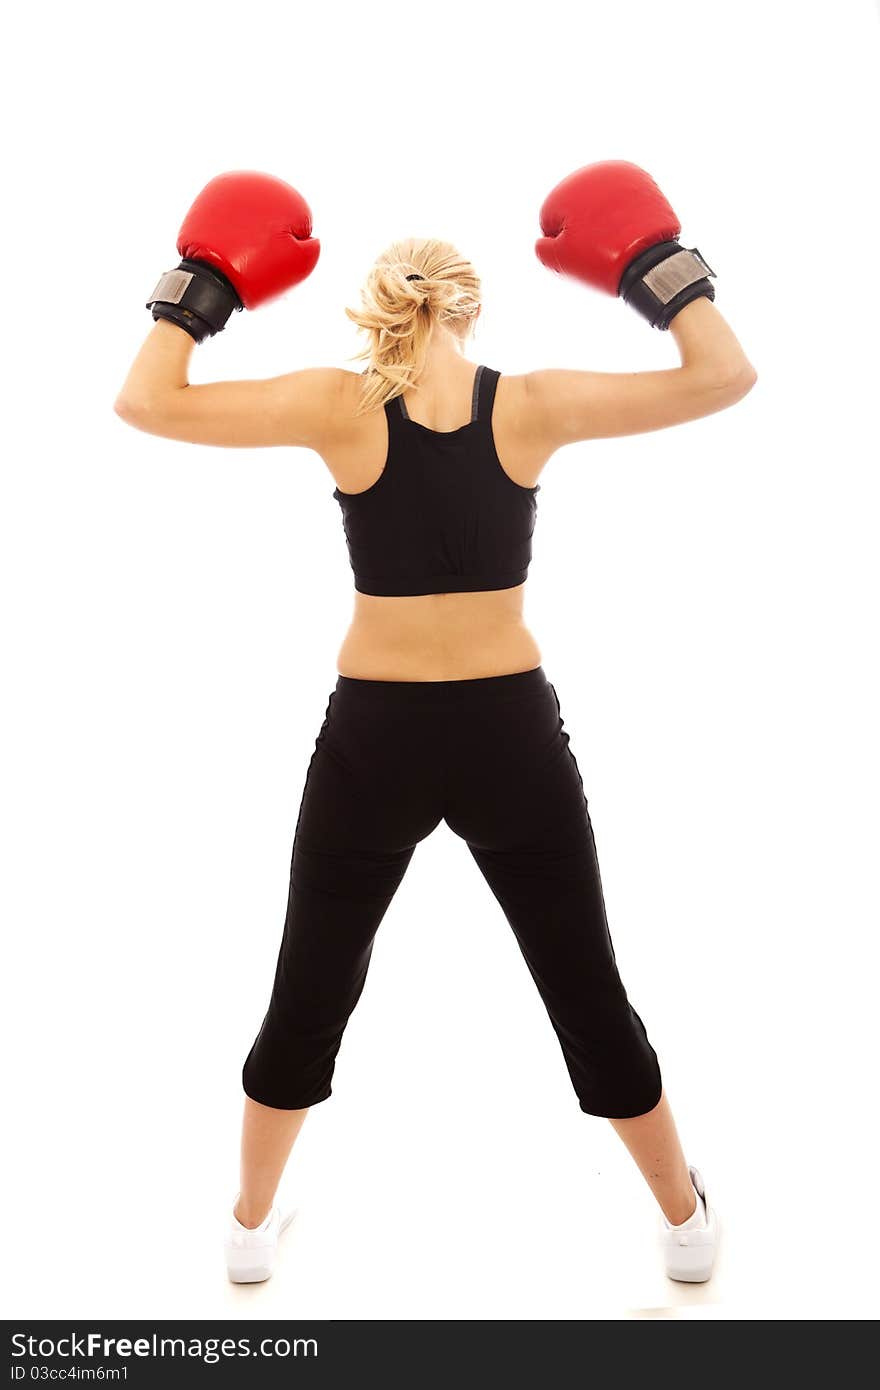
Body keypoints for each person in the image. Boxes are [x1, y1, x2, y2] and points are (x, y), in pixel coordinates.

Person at [115, 166, 756, 1290]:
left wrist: (203, 285)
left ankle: (250, 1227)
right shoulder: (535, 403)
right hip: (510, 732)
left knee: (309, 982)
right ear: (470, 306)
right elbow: (723, 373)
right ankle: (685, 1223)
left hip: (372, 740)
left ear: (379, 300)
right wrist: (656, 266)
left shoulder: (338, 404)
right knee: (585, 986)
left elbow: (147, 401)